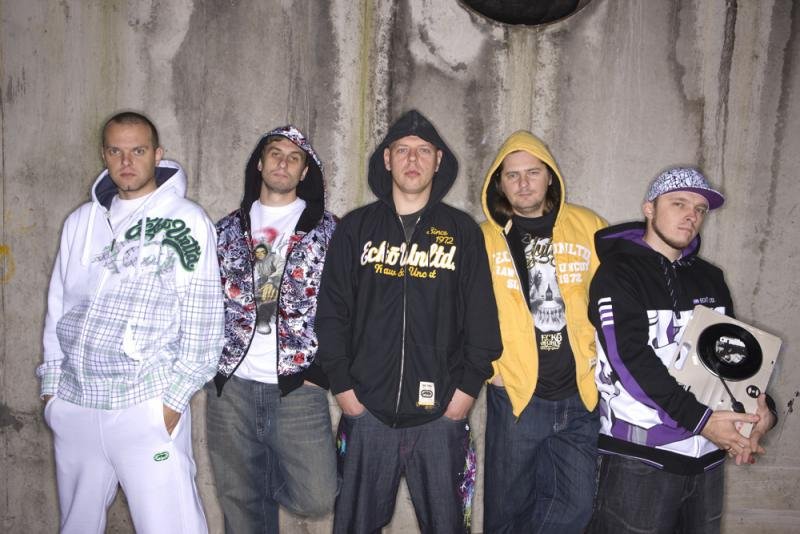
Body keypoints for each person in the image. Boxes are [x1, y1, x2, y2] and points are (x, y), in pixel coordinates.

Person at [315, 109, 502, 534]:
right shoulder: (356, 229)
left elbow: (482, 321)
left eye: (423, 151)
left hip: (440, 417)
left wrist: (464, 395)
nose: (412, 159)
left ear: (438, 160)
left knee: (447, 526)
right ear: (387, 159)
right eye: (402, 150)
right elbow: (331, 313)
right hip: (367, 413)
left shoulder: (462, 232)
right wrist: (344, 390)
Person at [38, 111, 224, 534]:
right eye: (116, 151)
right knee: (76, 526)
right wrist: (52, 392)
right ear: (104, 155)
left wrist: (170, 405)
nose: (126, 162)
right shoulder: (80, 222)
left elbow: (204, 318)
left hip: (144, 404)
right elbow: (58, 307)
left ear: (157, 155)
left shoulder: (187, 221)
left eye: (138, 151)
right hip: (76, 404)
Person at [587, 167, 778, 533]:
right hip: (640, 460)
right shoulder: (617, 274)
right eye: (679, 203)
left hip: (707, 458)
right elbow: (630, 361)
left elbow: (731, 360)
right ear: (649, 208)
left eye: (700, 209)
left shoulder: (711, 278)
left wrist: (757, 415)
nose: (692, 215)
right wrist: (702, 420)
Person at [208, 126, 338, 533]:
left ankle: (257, 479)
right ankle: (250, 486)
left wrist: (321, 373)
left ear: (304, 172)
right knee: (240, 509)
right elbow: (202, 300)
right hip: (232, 387)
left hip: (297, 387)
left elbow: (348, 307)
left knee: (317, 495)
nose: (283, 161)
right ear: (260, 163)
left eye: (294, 157)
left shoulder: (329, 232)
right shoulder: (225, 230)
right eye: (275, 153)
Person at [479, 131, 607, 533]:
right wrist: (491, 371)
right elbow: (461, 311)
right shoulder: (483, 239)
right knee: (507, 509)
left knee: (576, 506)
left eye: (532, 172)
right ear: (499, 183)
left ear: (549, 176)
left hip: (579, 396)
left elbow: (615, 299)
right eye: (512, 175)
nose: (523, 183)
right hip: (517, 396)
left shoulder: (589, 227)